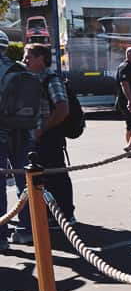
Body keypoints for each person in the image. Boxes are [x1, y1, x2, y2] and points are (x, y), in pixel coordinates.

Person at [23, 43, 75, 226]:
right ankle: (51, 215)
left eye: (28, 56)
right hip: (38, 136)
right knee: (41, 178)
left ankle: (67, 215)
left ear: (41, 59)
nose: (25, 60)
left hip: (50, 136)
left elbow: (63, 109)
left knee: (56, 176)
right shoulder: (32, 78)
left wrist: (42, 129)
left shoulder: (51, 79)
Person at [0, 32, 33, 248]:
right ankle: (30, 229)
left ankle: (1, 237)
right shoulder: (20, 68)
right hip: (22, 133)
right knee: (26, 182)